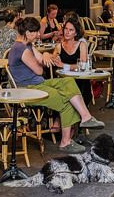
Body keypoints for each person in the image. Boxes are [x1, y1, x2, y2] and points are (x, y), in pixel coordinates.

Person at [8, 17, 104, 154]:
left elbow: (42, 58)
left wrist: (46, 53)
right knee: (66, 100)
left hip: (38, 84)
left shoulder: (27, 45)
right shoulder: (20, 49)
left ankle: (86, 117)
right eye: (35, 32)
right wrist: (45, 57)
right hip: (28, 89)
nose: (38, 35)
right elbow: (40, 70)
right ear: (27, 32)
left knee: (68, 81)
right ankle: (65, 142)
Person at [52, 17, 92, 104]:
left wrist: (63, 65)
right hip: (64, 81)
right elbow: (54, 61)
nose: (67, 32)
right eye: (66, 29)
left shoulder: (81, 45)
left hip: (79, 80)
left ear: (76, 33)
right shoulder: (59, 46)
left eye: (70, 30)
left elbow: (82, 65)